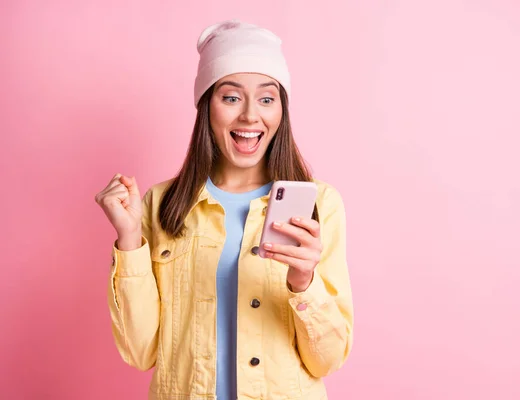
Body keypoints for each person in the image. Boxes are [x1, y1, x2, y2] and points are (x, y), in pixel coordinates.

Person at [94, 20, 353, 400]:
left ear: (282, 110)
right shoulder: (161, 205)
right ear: (206, 106)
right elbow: (140, 351)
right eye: (231, 97)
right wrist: (130, 240)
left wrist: (304, 282)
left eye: (267, 98)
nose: (250, 116)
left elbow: (326, 361)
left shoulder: (321, 205)